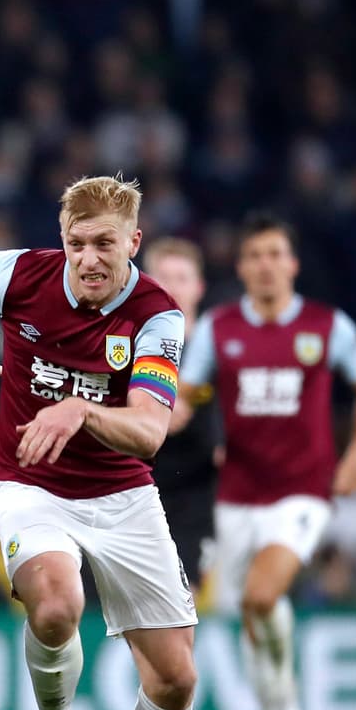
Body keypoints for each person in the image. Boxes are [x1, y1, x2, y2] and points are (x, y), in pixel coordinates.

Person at [0, 174, 199, 710]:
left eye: (104, 244)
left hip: (122, 495)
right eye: (75, 243)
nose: (88, 258)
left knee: (176, 679)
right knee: (57, 603)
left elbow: (150, 432)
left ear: (133, 243)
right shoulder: (19, 274)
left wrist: (81, 410)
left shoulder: (157, 316)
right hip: (29, 483)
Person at [176, 212, 356, 710]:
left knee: (262, 595)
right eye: (255, 255)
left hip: (304, 489)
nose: (265, 264)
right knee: (249, 617)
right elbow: (187, 394)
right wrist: (161, 419)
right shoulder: (219, 327)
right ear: (241, 267)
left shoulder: (326, 326)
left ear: (290, 263)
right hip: (238, 493)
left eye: (274, 254)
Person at [143, 238, 218, 594]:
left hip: (198, 499)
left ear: (199, 286)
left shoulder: (223, 349)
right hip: (134, 490)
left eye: (181, 277)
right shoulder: (124, 343)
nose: (171, 286)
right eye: (163, 276)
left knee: (178, 600)